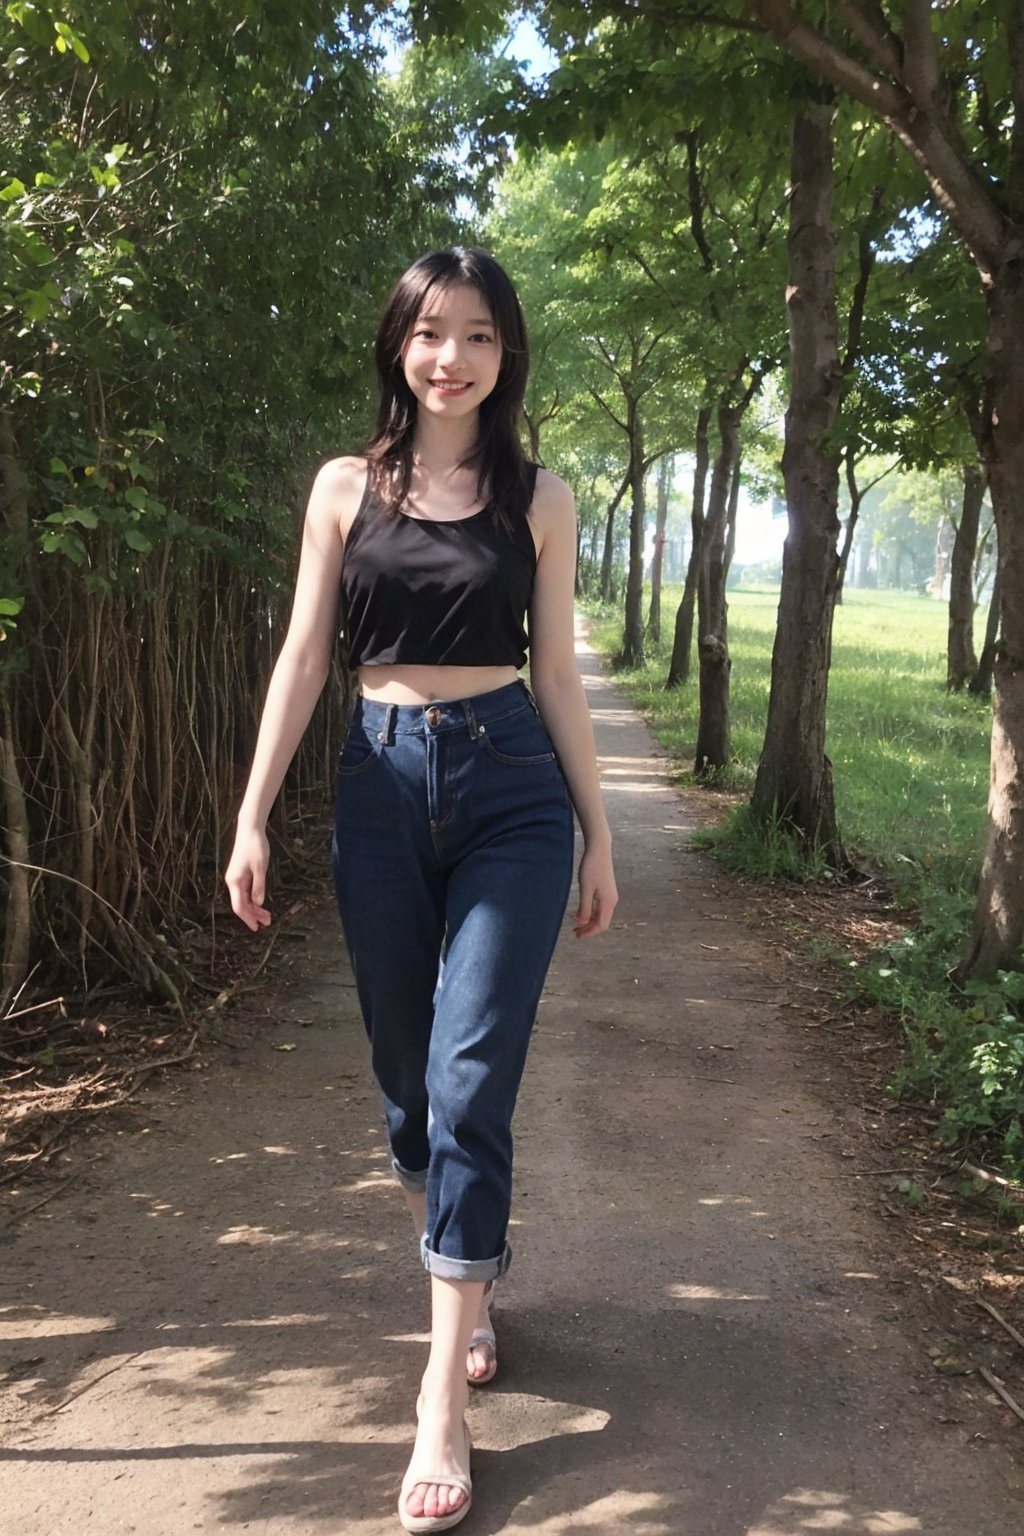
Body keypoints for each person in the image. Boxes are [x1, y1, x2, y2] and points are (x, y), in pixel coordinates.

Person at [225, 246, 617, 1533]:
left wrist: (598, 835)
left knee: (469, 1076)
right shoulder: (345, 488)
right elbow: (301, 656)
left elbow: (556, 675)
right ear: (400, 344)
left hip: (510, 787)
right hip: (380, 783)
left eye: (481, 337)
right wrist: (253, 813)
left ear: (508, 357)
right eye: (432, 332)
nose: (452, 357)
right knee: (407, 1080)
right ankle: (472, 1274)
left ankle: (439, 1388)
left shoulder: (539, 498)